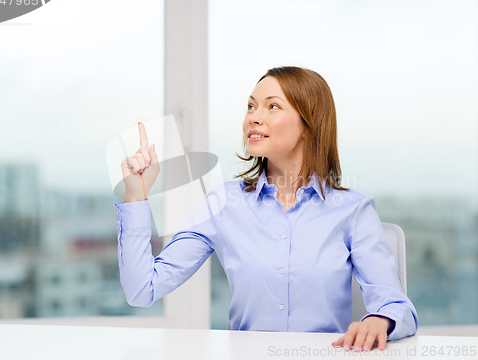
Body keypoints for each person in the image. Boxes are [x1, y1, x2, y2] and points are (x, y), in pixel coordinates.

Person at [115, 66, 418, 351]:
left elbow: (396, 306)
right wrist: (136, 195)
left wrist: (380, 320)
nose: (253, 118)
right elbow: (142, 290)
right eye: (250, 106)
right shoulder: (223, 203)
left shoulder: (352, 210)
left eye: (272, 106)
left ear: (309, 124)